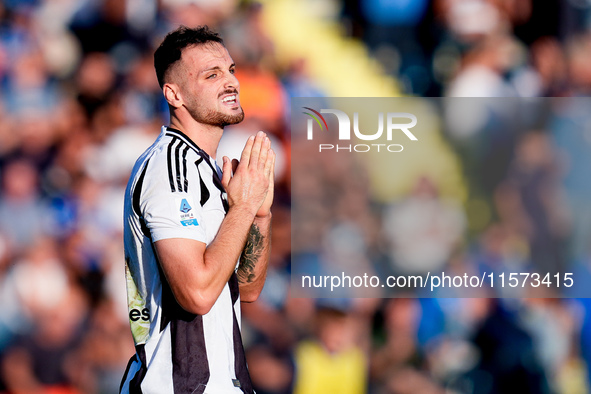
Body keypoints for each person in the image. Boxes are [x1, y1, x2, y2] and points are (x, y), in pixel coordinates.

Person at [120, 25, 275, 393]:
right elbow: (198, 294)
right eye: (212, 74)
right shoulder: (168, 169)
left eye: (231, 70)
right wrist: (243, 208)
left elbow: (247, 288)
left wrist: (259, 215)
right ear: (174, 94)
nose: (231, 82)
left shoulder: (207, 169)